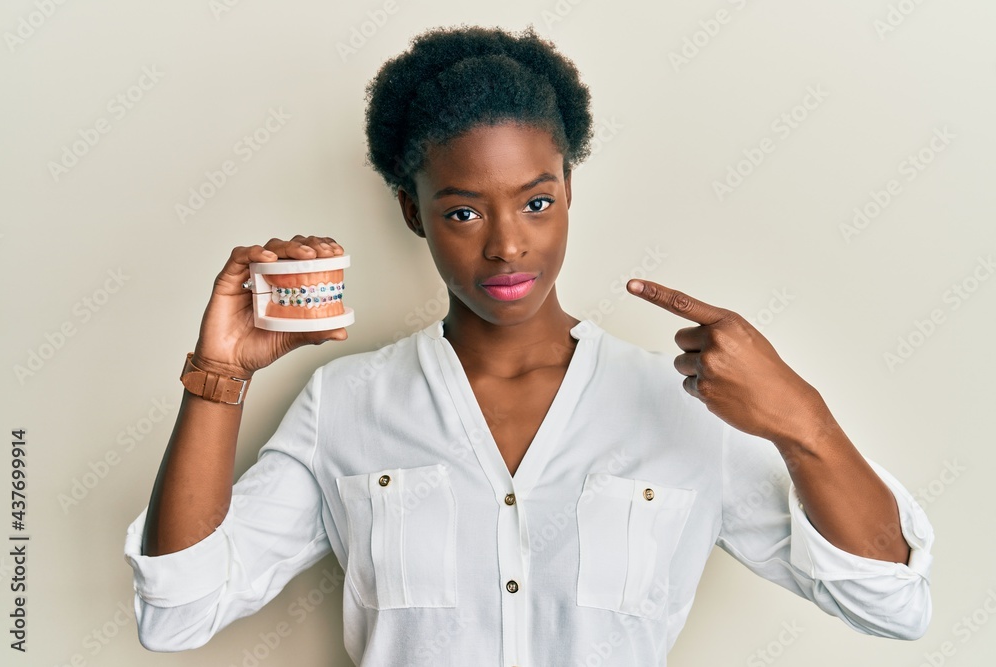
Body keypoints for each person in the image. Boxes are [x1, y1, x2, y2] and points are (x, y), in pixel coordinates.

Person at [123, 24, 934, 665]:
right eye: (464, 211)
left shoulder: (687, 408)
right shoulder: (347, 404)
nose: (508, 246)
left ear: (569, 190)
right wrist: (218, 376)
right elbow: (177, 612)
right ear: (413, 212)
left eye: (537, 203)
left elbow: (892, 604)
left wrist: (804, 422)